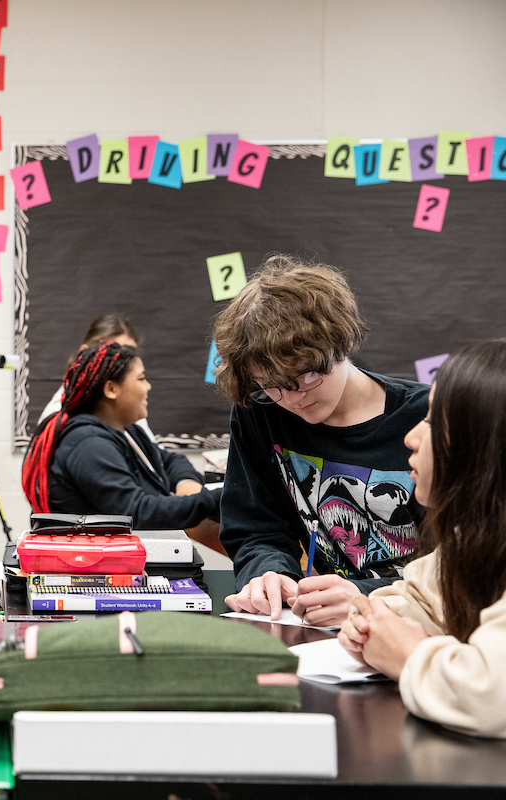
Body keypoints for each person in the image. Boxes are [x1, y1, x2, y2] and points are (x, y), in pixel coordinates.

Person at [215, 256, 428, 626]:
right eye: (272, 386)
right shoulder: (261, 411)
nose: (294, 399)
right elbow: (256, 529)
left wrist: (366, 596)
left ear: (341, 344)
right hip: (328, 635)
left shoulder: (429, 417)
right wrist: (270, 575)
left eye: (308, 375)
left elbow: (469, 565)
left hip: (424, 628)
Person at [339, 341, 506, 739]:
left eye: (432, 421)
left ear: (480, 446)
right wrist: (377, 625)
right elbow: (414, 599)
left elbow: (492, 697)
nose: (411, 438)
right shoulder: (474, 537)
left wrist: (407, 654)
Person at [22, 340, 221, 531]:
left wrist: (186, 482)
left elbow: (168, 461)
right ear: (111, 389)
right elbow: (137, 513)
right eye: (141, 379)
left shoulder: (128, 431)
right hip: (93, 565)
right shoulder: (89, 445)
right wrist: (215, 498)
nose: (148, 386)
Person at [37, 312, 155, 442]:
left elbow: (156, 457)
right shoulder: (60, 416)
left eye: (130, 355)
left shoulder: (129, 409)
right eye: (116, 356)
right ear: (86, 354)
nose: (127, 365)